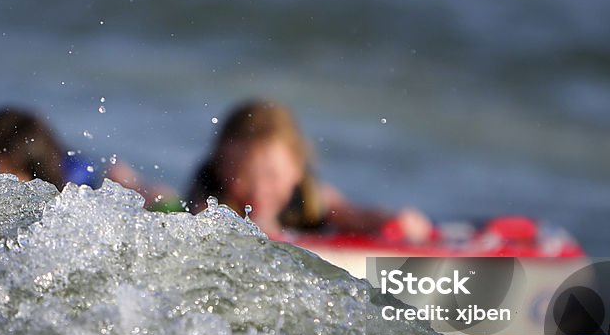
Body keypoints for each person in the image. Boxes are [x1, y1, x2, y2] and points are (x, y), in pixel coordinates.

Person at [186, 99, 433, 241]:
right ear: (219, 166)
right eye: (242, 176)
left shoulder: (311, 196)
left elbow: (352, 215)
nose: (259, 189)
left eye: (272, 176)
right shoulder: (211, 197)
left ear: (297, 169)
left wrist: (392, 220)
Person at [0, 107, 180, 209]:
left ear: (36, 176)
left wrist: (137, 189)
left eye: (7, 178)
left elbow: (168, 201)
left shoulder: (77, 185)